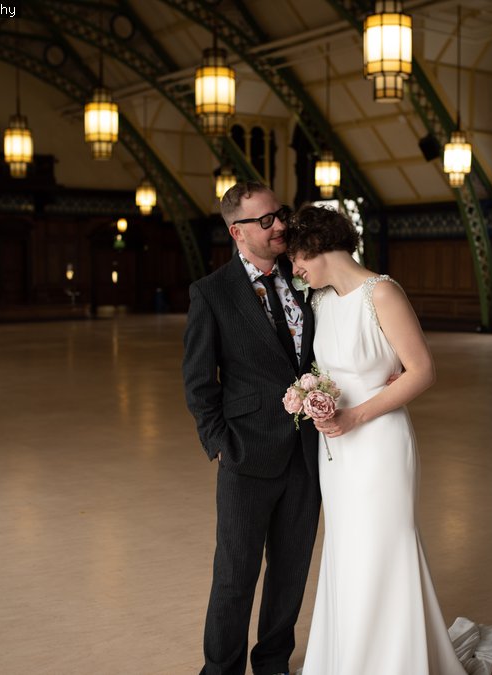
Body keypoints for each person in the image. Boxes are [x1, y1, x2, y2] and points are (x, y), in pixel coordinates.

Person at [286, 205, 468, 675]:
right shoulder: (322, 302)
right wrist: (313, 398)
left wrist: (355, 415)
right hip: (338, 449)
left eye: (296, 259)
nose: (295, 270)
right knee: (347, 548)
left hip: (380, 444)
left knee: (384, 548)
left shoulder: (381, 293)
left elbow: (423, 371)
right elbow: (327, 371)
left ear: (316, 245)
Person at [182, 182, 322, 675]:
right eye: (266, 221)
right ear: (236, 231)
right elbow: (199, 381)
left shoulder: (306, 277)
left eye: (279, 215)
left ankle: (273, 664)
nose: (280, 225)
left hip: (308, 453)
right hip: (246, 454)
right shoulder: (212, 292)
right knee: (234, 577)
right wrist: (220, 443)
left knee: (290, 573)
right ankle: (219, 670)